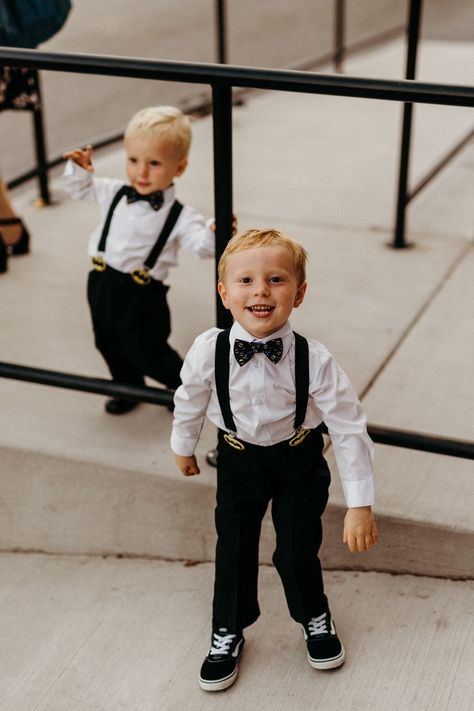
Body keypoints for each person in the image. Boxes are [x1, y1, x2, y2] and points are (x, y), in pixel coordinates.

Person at [171, 228, 378, 692]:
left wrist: (360, 502)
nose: (260, 290)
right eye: (245, 280)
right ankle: (228, 629)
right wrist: (183, 444)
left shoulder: (316, 360)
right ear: (224, 293)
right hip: (238, 460)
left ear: (299, 293)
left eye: (276, 280)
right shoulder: (210, 350)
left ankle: (314, 617)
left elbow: (347, 426)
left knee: (296, 546)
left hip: (298, 461)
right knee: (235, 545)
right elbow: (189, 398)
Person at [63, 105, 217, 415]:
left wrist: (216, 231)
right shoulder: (114, 191)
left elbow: (202, 246)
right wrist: (80, 169)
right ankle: (128, 386)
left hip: (142, 293)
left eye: (154, 163)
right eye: (133, 160)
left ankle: (182, 387)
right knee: (106, 340)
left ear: (180, 167)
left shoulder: (182, 216)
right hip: (101, 280)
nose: (141, 172)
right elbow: (80, 189)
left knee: (148, 349)